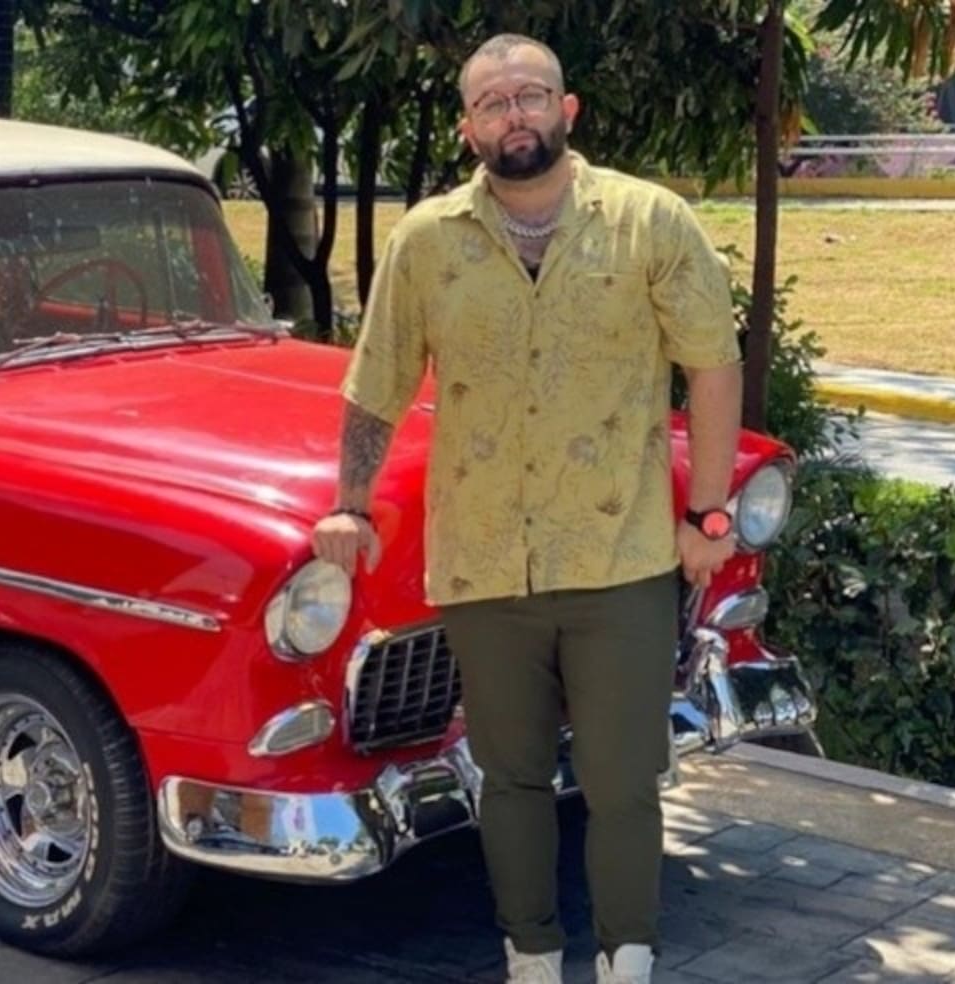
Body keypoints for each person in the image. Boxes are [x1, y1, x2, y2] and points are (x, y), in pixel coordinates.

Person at [312, 33, 741, 984]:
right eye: (495, 102)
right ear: (469, 126)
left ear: (568, 109)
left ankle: (627, 964)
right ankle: (532, 959)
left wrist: (708, 518)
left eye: (532, 97)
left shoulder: (648, 222)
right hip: (484, 561)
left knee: (624, 782)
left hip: (619, 557)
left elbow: (713, 363)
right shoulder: (427, 241)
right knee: (507, 781)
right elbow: (374, 383)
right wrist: (349, 506)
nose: (516, 116)